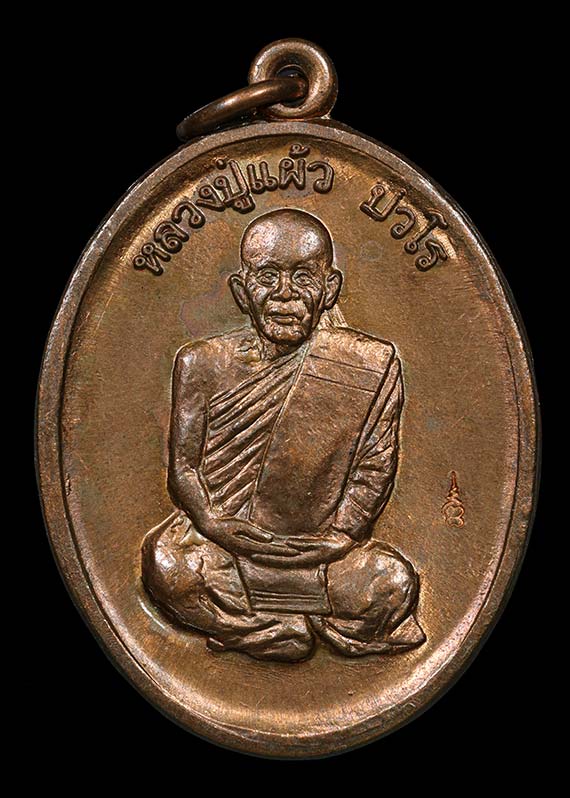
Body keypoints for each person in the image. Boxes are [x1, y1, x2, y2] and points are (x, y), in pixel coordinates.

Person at [142, 208, 425, 661]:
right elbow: (184, 469)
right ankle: (273, 627)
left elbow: (375, 467)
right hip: (225, 549)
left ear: (330, 289)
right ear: (242, 291)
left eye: (304, 278)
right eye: (267, 276)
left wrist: (342, 536)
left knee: (392, 582)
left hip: (320, 555)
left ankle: (272, 621)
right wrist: (213, 522)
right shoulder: (201, 363)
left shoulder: (368, 365)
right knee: (165, 562)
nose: (285, 294)